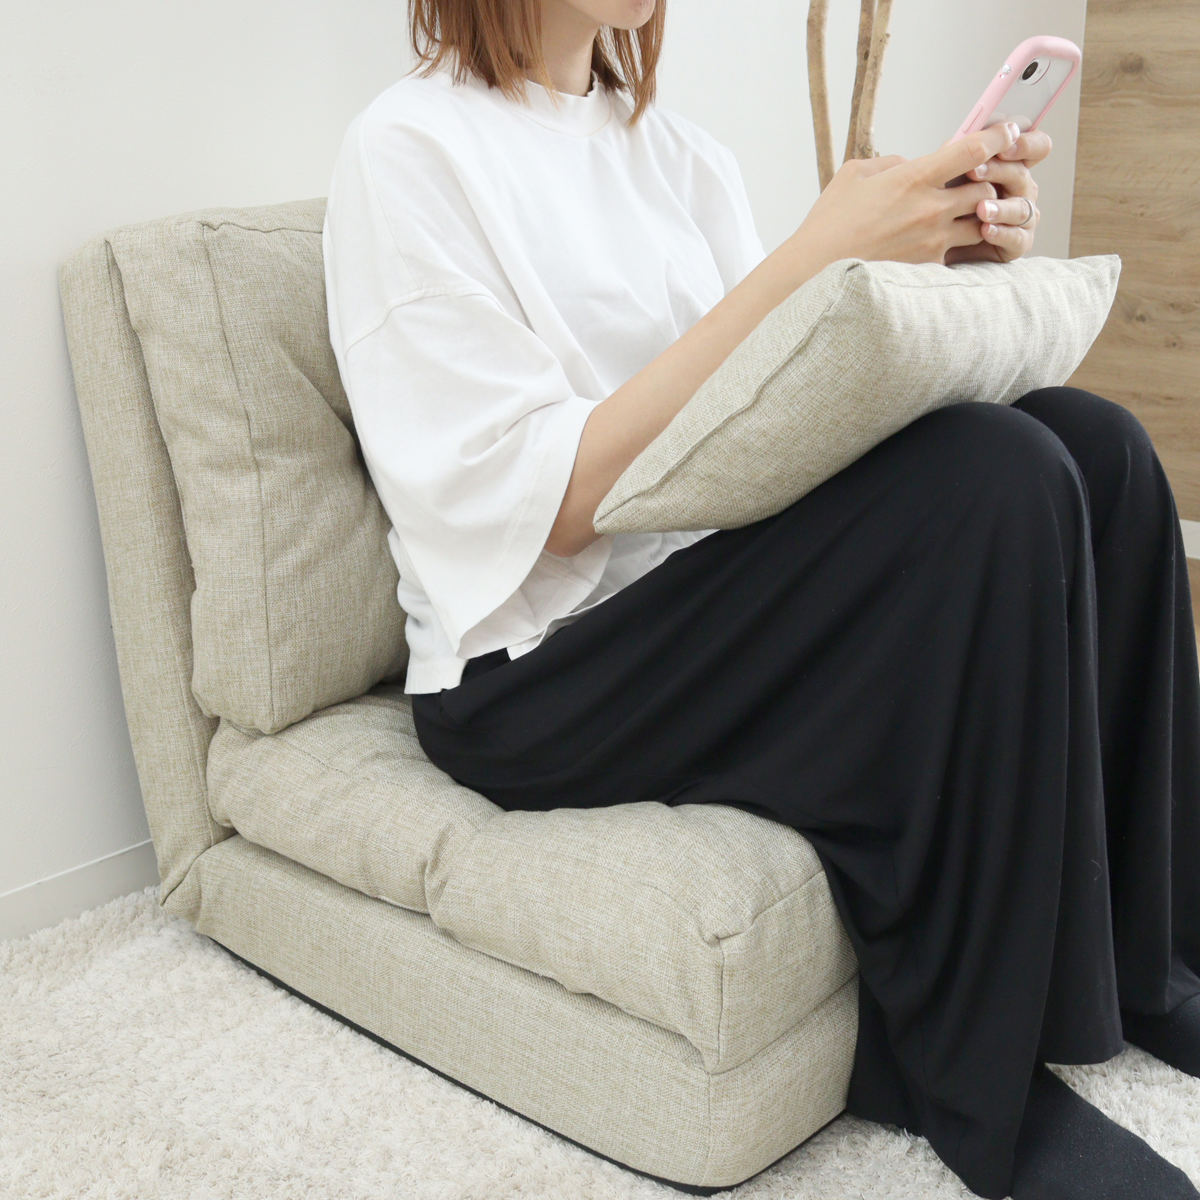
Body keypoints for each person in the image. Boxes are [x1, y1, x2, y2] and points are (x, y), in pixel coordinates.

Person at [321, 2, 1200, 1196]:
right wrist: (809, 258)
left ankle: (1153, 969)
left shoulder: (677, 154)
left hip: (699, 584)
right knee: (998, 478)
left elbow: (770, 407)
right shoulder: (410, 149)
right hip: (535, 674)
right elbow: (553, 503)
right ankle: (974, 1082)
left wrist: (931, 261)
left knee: (1098, 447)